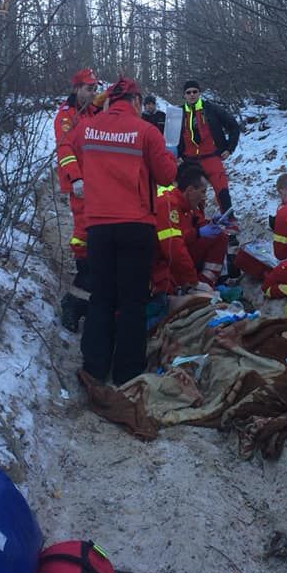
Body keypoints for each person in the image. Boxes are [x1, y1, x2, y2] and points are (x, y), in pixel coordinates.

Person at [80, 76, 177, 385]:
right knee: (133, 300)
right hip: (136, 226)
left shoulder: (87, 128)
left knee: (102, 298)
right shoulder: (147, 131)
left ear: (110, 99)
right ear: (136, 101)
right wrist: (170, 156)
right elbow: (165, 177)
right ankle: (127, 374)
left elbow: (72, 155)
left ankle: (94, 368)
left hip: (98, 225)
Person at [54, 67, 102, 332]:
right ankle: (73, 303)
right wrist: (76, 178)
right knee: (84, 240)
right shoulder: (65, 116)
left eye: (94, 89)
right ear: (76, 89)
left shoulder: (94, 111)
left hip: (99, 185)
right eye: (88, 89)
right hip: (82, 187)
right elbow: (65, 148)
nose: (92, 93)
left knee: (95, 242)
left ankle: (86, 294)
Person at [152, 163, 229, 295]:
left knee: (219, 237)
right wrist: (193, 281)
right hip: (161, 263)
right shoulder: (168, 204)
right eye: (203, 191)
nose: (204, 197)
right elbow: (173, 248)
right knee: (167, 293)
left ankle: (206, 285)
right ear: (190, 190)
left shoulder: (187, 205)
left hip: (179, 258)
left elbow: (195, 224)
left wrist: (211, 223)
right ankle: (195, 288)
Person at [177, 80, 241, 216]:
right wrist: (175, 155)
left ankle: (230, 227)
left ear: (199, 93)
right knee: (191, 196)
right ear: (184, 95)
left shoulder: (211, 109)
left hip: (211, 157)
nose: (192, 95)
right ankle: (196, 226)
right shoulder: (178, 112)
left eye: (195, 92)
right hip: (190, 161)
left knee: (223, 192)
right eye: (188, 92)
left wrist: (229, 148)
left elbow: (233, 126)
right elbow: (169, 137)